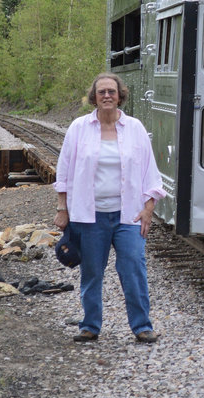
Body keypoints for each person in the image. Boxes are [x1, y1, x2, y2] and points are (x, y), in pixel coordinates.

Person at [53, 73, 165, 344]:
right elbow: (64, 172)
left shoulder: (135, 128)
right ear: (94, 97)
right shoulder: (79, 128)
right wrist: (62, 208)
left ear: (120, 96)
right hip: (89, 216)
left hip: (128, 215)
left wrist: (149, 208)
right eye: (101, 91)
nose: (106, 96)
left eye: (111, 91)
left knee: (133, 268)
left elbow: (151, 172)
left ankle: (142, 326)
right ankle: (90, 325)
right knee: (91, 271)